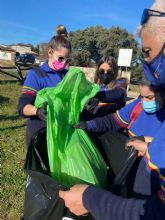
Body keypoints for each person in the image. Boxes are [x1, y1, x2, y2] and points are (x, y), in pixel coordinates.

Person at [59, 1, 165, 219]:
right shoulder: (137, 107)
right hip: (128, 185)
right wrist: (87, 125)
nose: (149, 65)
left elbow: (154, 213)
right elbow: (113, 121)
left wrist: (91, 199)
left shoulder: (119, 88)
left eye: (150, 53)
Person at [18, 25, 72, 147]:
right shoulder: (36, 75)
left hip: (63, 134)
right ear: (50, 52)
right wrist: (37, 111)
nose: (64, 64)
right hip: (40, 135)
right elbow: (22, 107)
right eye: (61, 58)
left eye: (67, 60)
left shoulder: (68, 76)